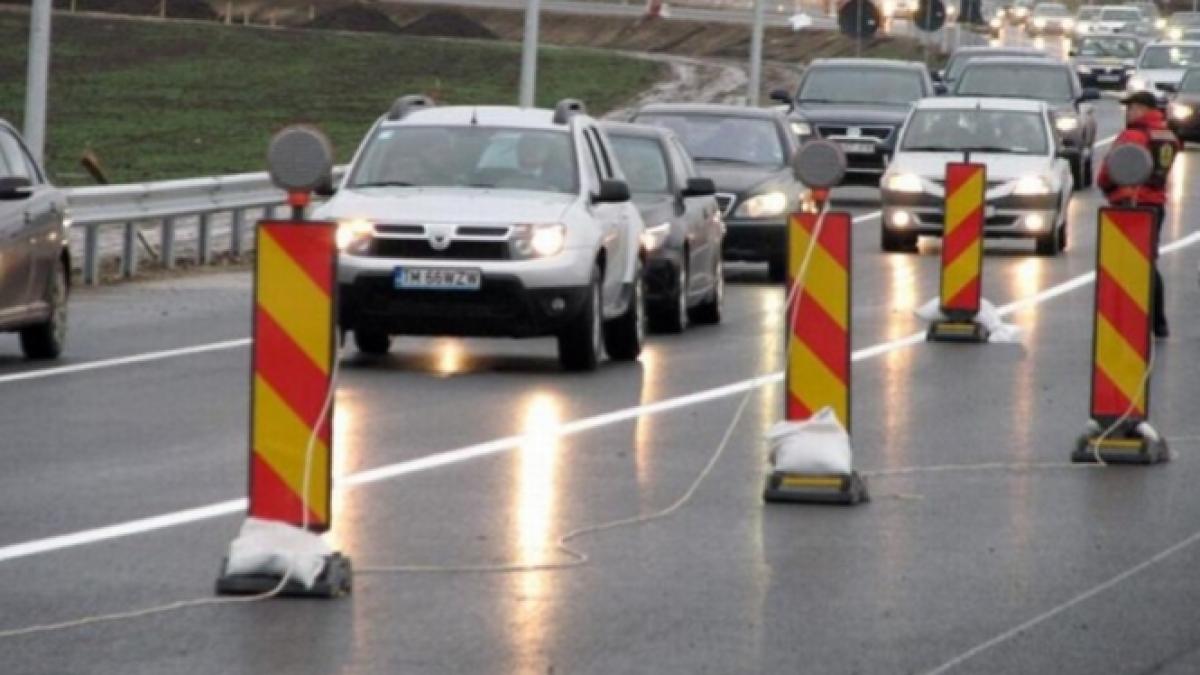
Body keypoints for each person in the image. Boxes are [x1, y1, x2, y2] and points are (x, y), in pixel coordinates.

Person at [1097, 90, 1180, 338]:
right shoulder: (1166, 135)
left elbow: (1111, 169)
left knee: (1123, 265)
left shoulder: (1133, 135)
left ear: (1143, 108)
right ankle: (1159, 322)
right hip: (1156, 204)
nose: (1128, 112)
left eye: (1131, 107)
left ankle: (1123, 320)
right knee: (1149, 262)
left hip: (1130, 203)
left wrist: (1108, 188)